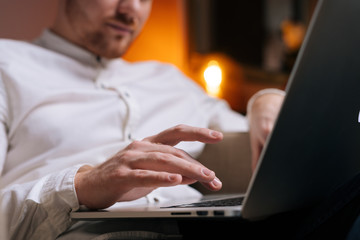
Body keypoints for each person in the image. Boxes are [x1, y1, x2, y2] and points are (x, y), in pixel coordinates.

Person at [0, 0, 284, 239]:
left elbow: (250, 132)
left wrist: (265, 100)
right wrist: (85, 185)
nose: (131, 10)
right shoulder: (8, 64)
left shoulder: (169, 78)